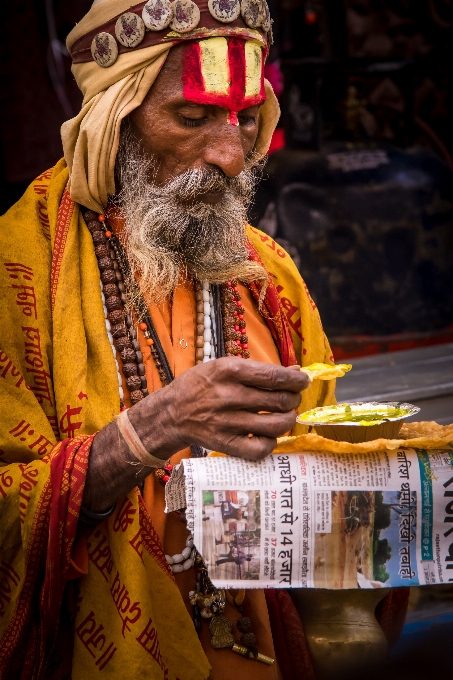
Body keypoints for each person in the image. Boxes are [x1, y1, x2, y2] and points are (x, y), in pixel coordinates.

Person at [0, 1, 407, 678]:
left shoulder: (268, 271)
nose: (227, 153)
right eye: (191, 118)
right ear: (114, 116)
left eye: (246, 118)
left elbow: (329, 459)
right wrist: (146, 433)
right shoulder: (17, 271)